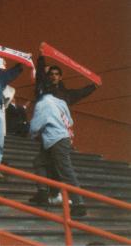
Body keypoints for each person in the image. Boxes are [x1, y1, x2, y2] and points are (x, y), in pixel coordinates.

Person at [28, 55, 98, 217]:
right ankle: (43, 193)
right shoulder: (60, 100)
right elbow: (70, 116)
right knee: (39, 161)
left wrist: (31, 133)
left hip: (56, 139)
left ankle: (79, 203)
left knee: (66, 171)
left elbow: (35, 126)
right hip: (58, 138)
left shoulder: (43, 102)